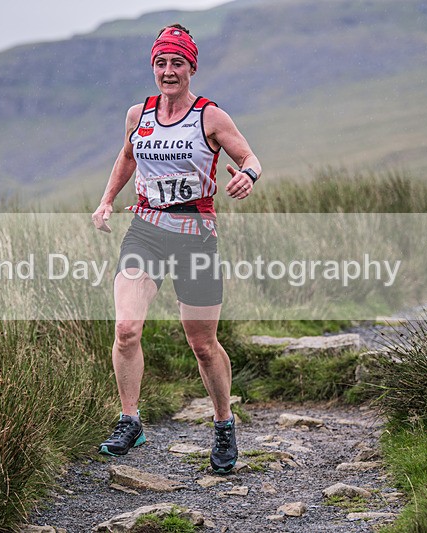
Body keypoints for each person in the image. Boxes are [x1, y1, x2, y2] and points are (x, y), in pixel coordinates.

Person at [91, 23, 261, 474]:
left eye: (177, 64)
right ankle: (130, 420)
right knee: (126, 328)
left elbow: (249, 156)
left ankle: (224, 423)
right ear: (153, 66)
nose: (169, 71)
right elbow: (128, 156)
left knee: (202, 344)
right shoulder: (138, 115)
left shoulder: (210, 117)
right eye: (161, 63)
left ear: (191, 68)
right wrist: (107, 199)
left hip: (196, 237)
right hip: (145, 232)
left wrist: (248, 175)